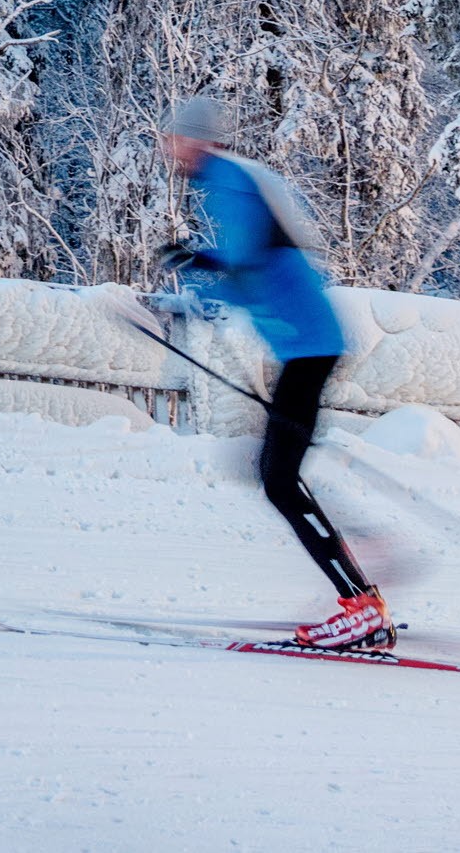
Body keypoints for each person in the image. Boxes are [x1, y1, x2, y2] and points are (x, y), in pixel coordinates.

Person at [158, 96, 393, 651]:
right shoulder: (233, 180)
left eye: (175, 137)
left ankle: (361, 605)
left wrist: (200, 271)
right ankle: (361, 588)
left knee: (279, 480)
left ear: (197, 139)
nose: (169, 147)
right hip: (305, 345)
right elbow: (251, 264)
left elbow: (248, 270)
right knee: (277, 475)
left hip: (309, 346)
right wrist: (204, 268)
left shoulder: (227, 182)